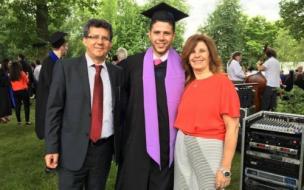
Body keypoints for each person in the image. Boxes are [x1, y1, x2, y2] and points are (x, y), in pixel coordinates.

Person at [116, 3, 188, 190]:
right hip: (136, 142)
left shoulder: (184, 67)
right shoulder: (131, 65)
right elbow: (120, 107)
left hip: (168, 144)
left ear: (173, 35)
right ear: (149, 34)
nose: (161, 38)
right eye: (157, 32)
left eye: (166, 33)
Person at [44, 19, 122, 190]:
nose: (99, 42)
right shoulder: (65, 68)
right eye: (94, 36)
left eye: (105, 38)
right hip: (72, 148)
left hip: (104, 150)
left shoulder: (117, 73)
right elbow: (53, 110)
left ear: (110, 43)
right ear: (84, 40)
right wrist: (51, 147)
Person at [174, 34, 240, 190]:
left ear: (210, 55)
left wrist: (225, 168)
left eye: (202, 51)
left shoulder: (222, 83)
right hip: (182, 143)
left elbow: (233, 127)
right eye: (192, 51)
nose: (197, 55)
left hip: (208, 145)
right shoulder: (188, 84)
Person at [35, 31, 68, 139]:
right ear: (61, 47)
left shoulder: (56, 61)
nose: (67, 48)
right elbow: (54, 86)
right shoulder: (49, 63)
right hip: (49, 104)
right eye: (66, 46)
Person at [9, 61, 30, 125]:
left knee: (17, 106)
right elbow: (27, 81)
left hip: (15, 91)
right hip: (23, 90)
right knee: (26, 106)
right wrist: (27, 76)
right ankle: (27, 121)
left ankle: (19, 122)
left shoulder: (11, 74)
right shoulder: (22, 73)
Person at [0, 59, 13, 123]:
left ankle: (5, 115)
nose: (10, 64)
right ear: (5, 64)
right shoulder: (1, 70)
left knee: (7, 102)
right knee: (3, 102)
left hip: (6, 88)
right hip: (2, 89)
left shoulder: (6, 70)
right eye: (9, 63)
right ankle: (1, 116)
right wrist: (7, 77)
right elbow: (1, 80)